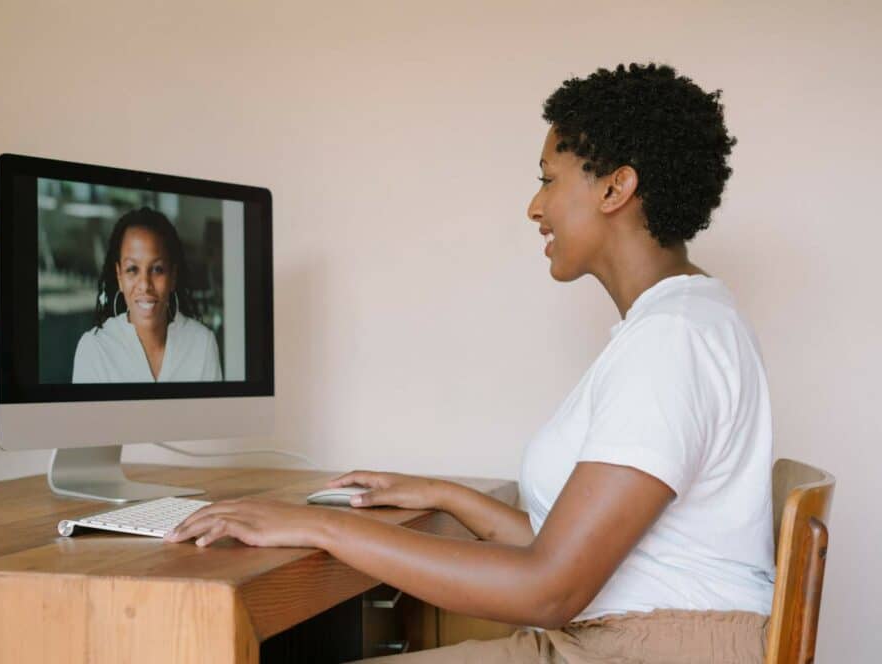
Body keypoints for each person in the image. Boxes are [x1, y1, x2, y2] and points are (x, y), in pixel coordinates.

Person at [166, 63, 774, 663]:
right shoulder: (680, 322)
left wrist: (319, 527)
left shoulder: (672, 340)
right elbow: (569, 552)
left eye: (548, 179)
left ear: (615, 188)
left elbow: (549, 588)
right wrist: (444, 494)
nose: (535, 208)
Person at [72, 207, 223, 383]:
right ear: (119, 276)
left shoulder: (201, 344)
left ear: (173, 276)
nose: (145, 284)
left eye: (157, 269)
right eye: (132, 269)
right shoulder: (95, 349)